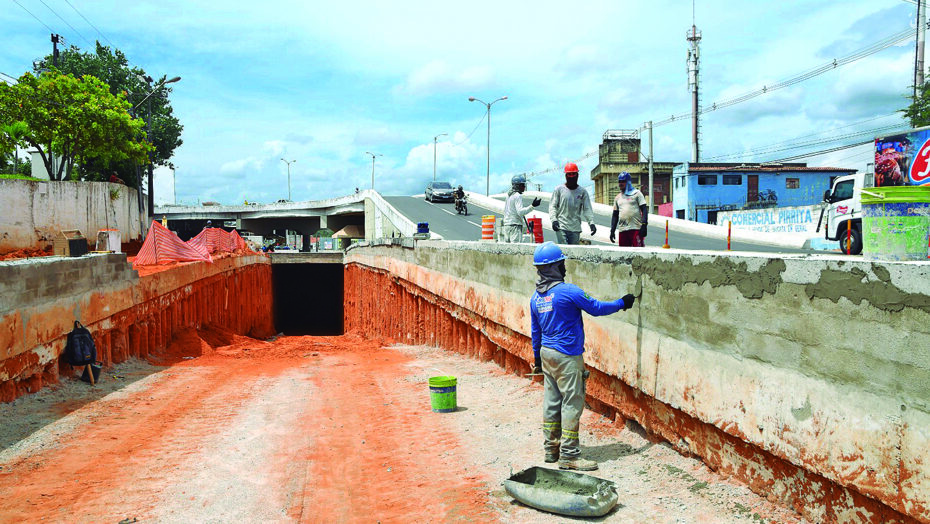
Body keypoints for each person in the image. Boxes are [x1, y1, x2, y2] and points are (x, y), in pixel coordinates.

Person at [530, 242, 636, 470]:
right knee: (571, 403)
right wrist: (622, 303)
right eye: (561, 263)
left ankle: (551, 450)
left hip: (547, 354)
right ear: (554, 267)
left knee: (552, 402)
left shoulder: (536, 298)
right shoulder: (569, 292)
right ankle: (569, 456)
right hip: (567, 356)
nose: (564, 267)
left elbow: (535, 331)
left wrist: (537, 358)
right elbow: (596, 308)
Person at [549, 163, 596, 245]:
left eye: (573, 174)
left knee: (573, 251)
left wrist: (591, 223)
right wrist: (554, 220)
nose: (571, 177)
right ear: (566, 176)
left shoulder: (582, 192)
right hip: (561, 226)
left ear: (577, 175)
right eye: (569, 174)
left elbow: (587, 209)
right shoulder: (559, 190)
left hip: (575, 228)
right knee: (564, 249)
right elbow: (553, 206)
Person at [609, 172, 648, 247]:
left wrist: (644, 224)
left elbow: (644, 209)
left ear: (628, 182)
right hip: (623, 229)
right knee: (624, 252)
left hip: (636, 228)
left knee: (638, 251)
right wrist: (612, 230)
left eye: (623, 181)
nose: (620, 184)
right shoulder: (617, 198)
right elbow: (615, 215)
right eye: (619, 181)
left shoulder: (637, 193)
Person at [502, 175, 541, 243]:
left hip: (506, 225)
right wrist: (532, 206)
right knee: (515, 247)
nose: (524, 187)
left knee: (508, 247)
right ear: (517, 186)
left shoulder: (509, 195)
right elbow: (520, 212)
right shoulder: (517, 196)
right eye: (522, 185)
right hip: (515, 226)